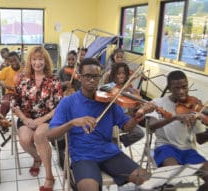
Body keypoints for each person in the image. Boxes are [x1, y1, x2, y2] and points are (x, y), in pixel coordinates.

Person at [48, 58, 155, 191]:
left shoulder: (108, 100)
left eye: (96, 76)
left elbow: (126, 127)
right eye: (87, 76)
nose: (92, 80)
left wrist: (136, 117)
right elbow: (50, 134)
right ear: (80, 78)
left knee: (148, 180)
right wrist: (72, 123)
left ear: (100, 78)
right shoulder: (68, 102)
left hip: (109, 152)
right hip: (83, 157)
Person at [146, 70, 208, 191]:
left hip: (188, 150)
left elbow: (200, 139)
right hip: (166, 147)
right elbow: (152, 126)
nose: (181, 92)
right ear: (169, 88)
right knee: (172, 179)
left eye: (184, 87)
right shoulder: (158, 103)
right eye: (176, 88)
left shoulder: (194, 105)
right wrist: (174, 117)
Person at [13, 46, 63, 191]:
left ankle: (49, 177)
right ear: (30, 61)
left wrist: (42, 120)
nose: (37, 63)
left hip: (47, 117)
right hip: (26, 117)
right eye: (34, 59)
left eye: (40, 59)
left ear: (45, 61)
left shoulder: (54, 81)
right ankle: (37, 157)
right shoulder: (22, 79)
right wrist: (25, 119)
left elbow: (59, 106)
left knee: (39, 136)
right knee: (24, 140)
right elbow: (14, 102)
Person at [107, 62, 144, 147]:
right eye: (118, 74)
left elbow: (132, 109)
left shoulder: (129, 89)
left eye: (123, 73)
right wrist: (116, 90)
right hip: (112, 117)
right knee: (112, 131)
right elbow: (102, 90)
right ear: (114, 75)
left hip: (125, 117)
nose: (121, 76)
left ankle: (120, 140)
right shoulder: (110, 86)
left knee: (139, 133)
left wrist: (139, 103)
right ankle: (114, 142)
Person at [0, 51, 22, 117]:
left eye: (15, 60)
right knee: (5, 103)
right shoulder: (6, 70)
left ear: (19, 58)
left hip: (23, 93)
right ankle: (2, 120)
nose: (14, 63)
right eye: (11, 61)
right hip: (10, 93)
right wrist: (5, 86)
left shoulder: (24, 69)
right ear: (8, 62)